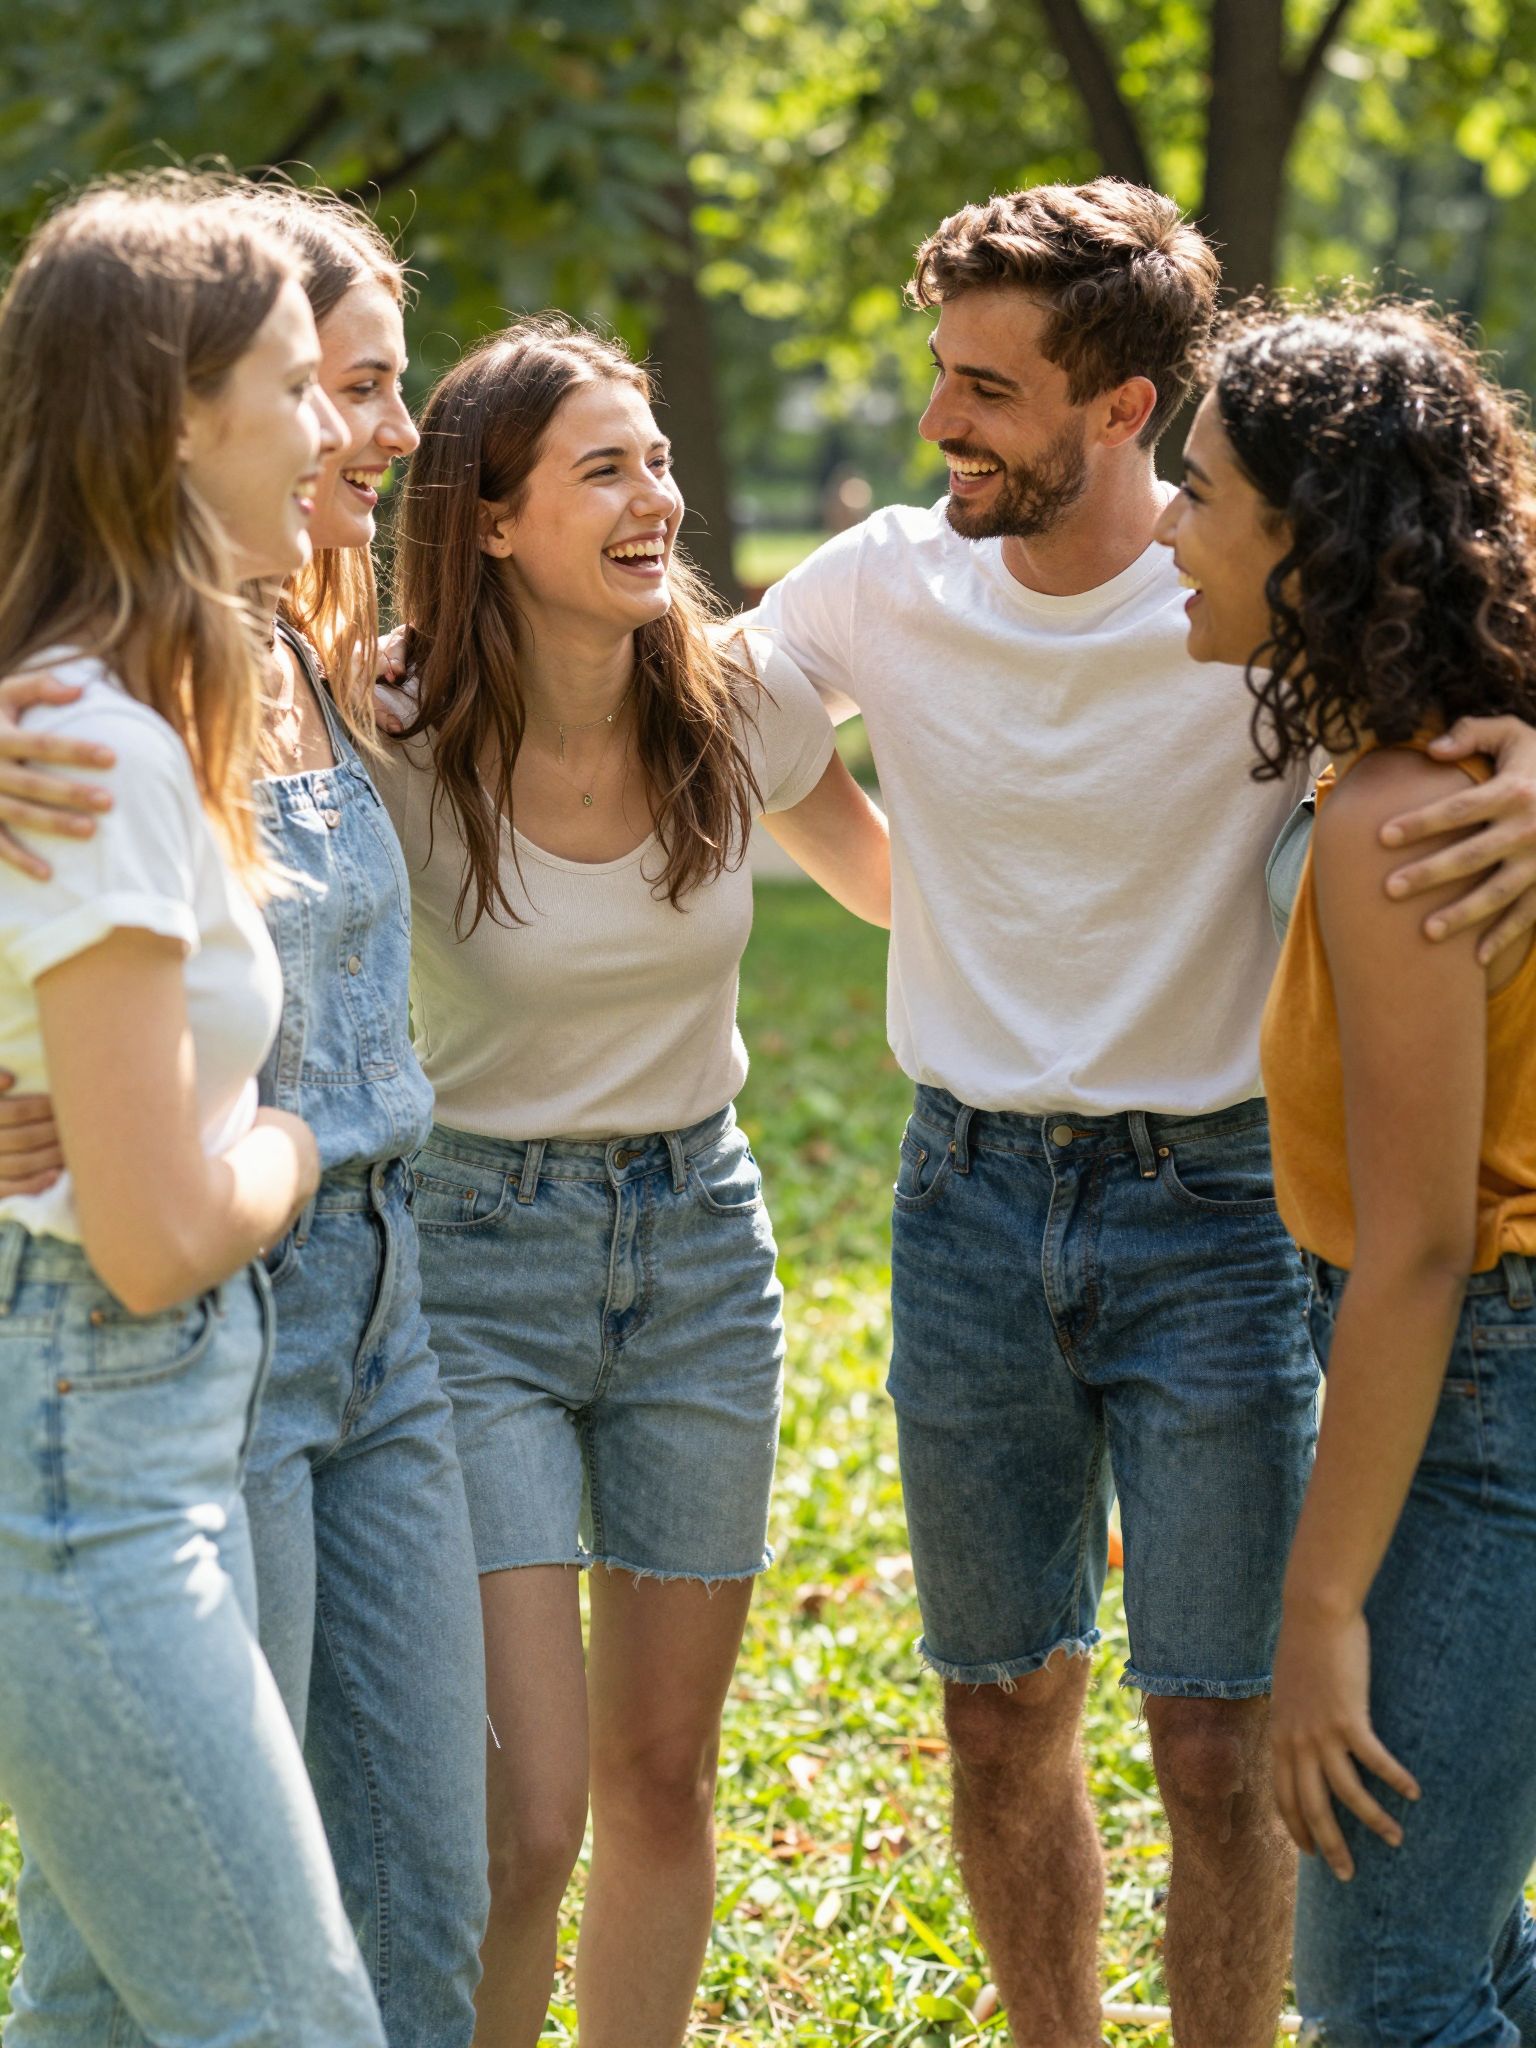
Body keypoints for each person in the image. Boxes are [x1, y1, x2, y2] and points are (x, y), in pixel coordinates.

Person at [747, 179, 1536, 2047]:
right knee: (1014, 1708)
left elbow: (1429, 1243)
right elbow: (702, 695)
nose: (942, 420)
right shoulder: (896, 583)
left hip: (1259, 1240)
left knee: (1268, 1785)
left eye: (989, 387)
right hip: (968, 1209)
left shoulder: (1325, 692)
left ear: (1121, 412)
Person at [0, 180, 491, 2047]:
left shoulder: (149, 704)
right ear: (176, 409)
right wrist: (287, 1149)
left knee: (125, 2011)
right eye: (307, 385)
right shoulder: (89, 748)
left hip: (178, 1394)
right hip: (105, 1417)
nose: (352, 433)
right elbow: (153, 1225)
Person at [373, 313, 890, 2048]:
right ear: (493, 521)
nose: (656, 493)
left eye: (657, 457)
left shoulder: (738, 699)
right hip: (472, 1263)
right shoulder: (387, 728)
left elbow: (906, 891)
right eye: (606, 467)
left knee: (664, 1776)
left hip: (697, 1252)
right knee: (532, 1816)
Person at [1159, 297, 1536, 2048]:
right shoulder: (1411, 753)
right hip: (1448, 1381)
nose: (1169, 523)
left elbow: (1422, 1248)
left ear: (1305, 541)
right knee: (1467, 1945)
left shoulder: (1406, 808)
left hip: (1477, 1392)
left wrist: (1317, 1617)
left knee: (1390, 1992)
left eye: (1200, 492)